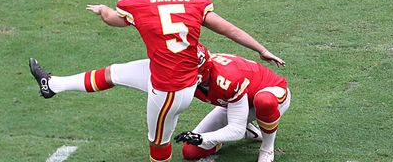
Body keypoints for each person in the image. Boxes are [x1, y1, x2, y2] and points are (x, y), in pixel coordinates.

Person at [29, 0, 284, 162]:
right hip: (167, 72)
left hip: (171, 88)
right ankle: (52, 85)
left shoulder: (138, 3)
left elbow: (112, 19)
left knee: (158, 146)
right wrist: (260, 49)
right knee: (113, 73)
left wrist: (103, 10)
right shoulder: (194, 2)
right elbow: (231, 29)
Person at [30, 44, 290, 162]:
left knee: (263, 101)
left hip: (268, 94)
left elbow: (233, 121)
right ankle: (54, 84)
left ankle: (266, 148)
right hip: (234, 104)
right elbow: (116, 74)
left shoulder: (225, 79)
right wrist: (201, 141)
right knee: (190, 152)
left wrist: (205, 137)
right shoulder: (181, 71)